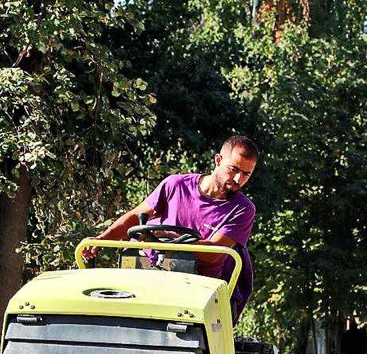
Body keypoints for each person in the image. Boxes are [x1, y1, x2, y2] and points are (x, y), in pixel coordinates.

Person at [93, 135, 259, 320]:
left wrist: (164, 236)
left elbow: (214, 253)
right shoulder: (176, 185)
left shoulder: (242, 209)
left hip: (198, 293)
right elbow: (135, 216)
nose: (238, 178)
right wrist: (102, 239)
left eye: (246, 174)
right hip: (148, 277)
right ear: (218, 160)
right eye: (233, 169)